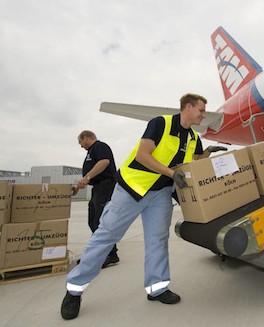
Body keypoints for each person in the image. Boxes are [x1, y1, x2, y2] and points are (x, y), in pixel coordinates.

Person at [61, 93, 227, 320]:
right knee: (107, 235)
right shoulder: (160, 123)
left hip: (160, 194)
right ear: (187, 107)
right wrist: (172, 174)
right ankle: (74, 289)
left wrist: (208, 153)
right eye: (201, 110)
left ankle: (157, 288)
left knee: (157, 239)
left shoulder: (193, 138)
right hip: (132, 189)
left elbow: (193, 161)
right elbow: (143, 155)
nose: (203, 115)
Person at [73, 130, 119, 268]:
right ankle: (98, 252)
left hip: (106, 186)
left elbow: (104, 162)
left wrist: (87, 177)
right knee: (93, 220)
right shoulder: (91, 151)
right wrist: (80, 184)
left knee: (101, 221)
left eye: (80, 142)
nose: (80, 145)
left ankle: (110, 254)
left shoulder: (100, 146)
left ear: (86, 137)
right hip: (98, 188)